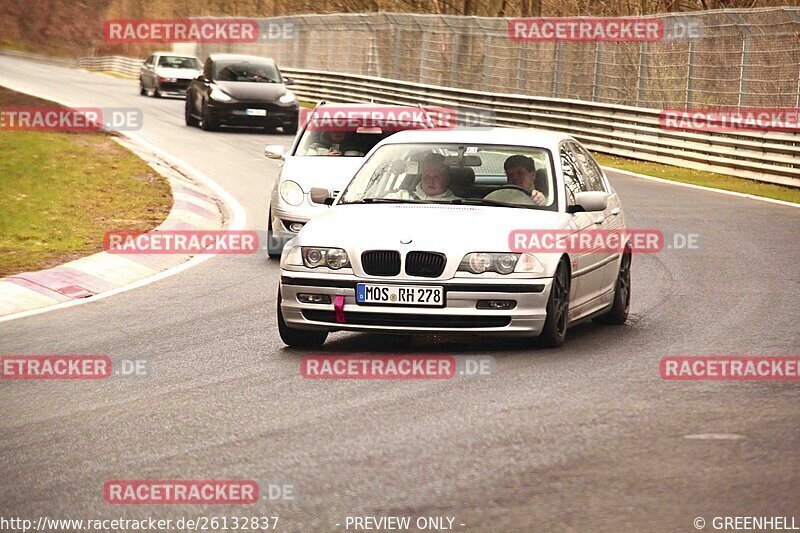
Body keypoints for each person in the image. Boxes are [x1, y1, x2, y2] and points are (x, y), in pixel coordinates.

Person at [385, 153, 460, 201]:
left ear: (446, 179)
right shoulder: (401, 197)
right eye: (427, 176)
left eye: (436, 177)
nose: (430, 181)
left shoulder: (458, 205)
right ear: (421, 176)